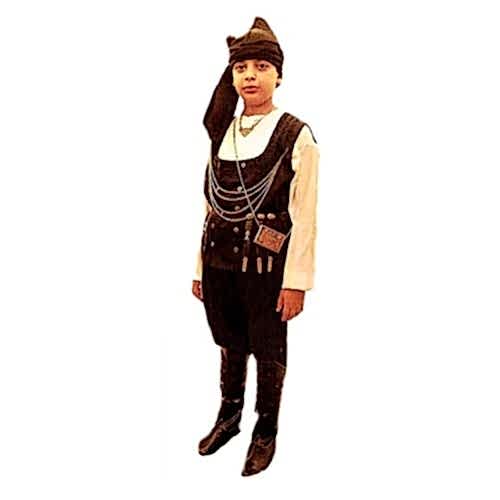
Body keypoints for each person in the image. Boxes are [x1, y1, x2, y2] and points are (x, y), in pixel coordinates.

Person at [191, 16, 319, 476]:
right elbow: (211, 203)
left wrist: (296, 282)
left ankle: (265, 431)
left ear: (278, 75)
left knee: (267, 346)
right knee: (228, 340)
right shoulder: (222, 132)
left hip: (268, 266)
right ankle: (229, 417)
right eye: (241, 67)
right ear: (231, 76)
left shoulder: (295, 134)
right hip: (219, 261)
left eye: (262, 66)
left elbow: (305, 215)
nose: (250, 75)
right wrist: (199, 268)